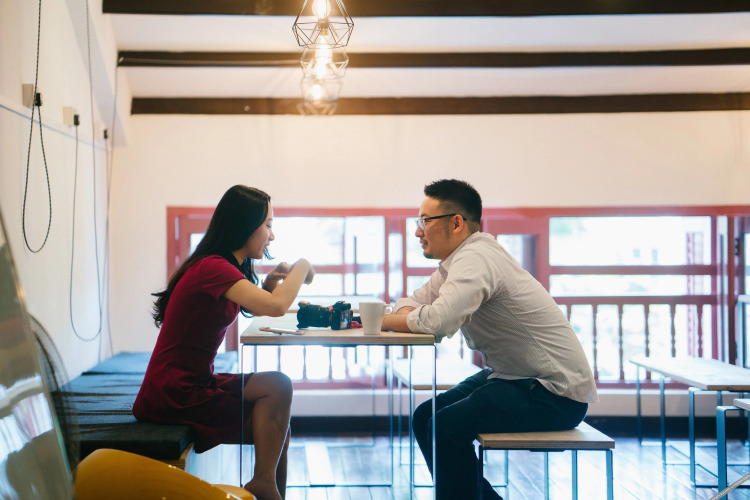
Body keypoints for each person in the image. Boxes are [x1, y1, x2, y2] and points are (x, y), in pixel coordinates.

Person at [381, 179, 598, 500]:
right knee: (425, 417)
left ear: (456, 223)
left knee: (445, 426)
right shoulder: (456, 263)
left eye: (424, 221)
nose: (417, 232)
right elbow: (411, 302)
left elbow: (438, 323)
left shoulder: (476, 258)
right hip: (514, 378)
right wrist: (402, 314)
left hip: (553, 392)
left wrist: (383, 320)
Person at [133, 185, 314, 500]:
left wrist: (268, 284)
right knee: (276, 420)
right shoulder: (213, 268)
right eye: (268, 225)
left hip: (192, 382)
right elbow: (275, 307)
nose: (272, 236)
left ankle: (265, 484)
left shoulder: (219, 267)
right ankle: (264, 484)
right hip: (174, 392)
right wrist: (303, 265)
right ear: (245, 224)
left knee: (278, 389)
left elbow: (259, 304)